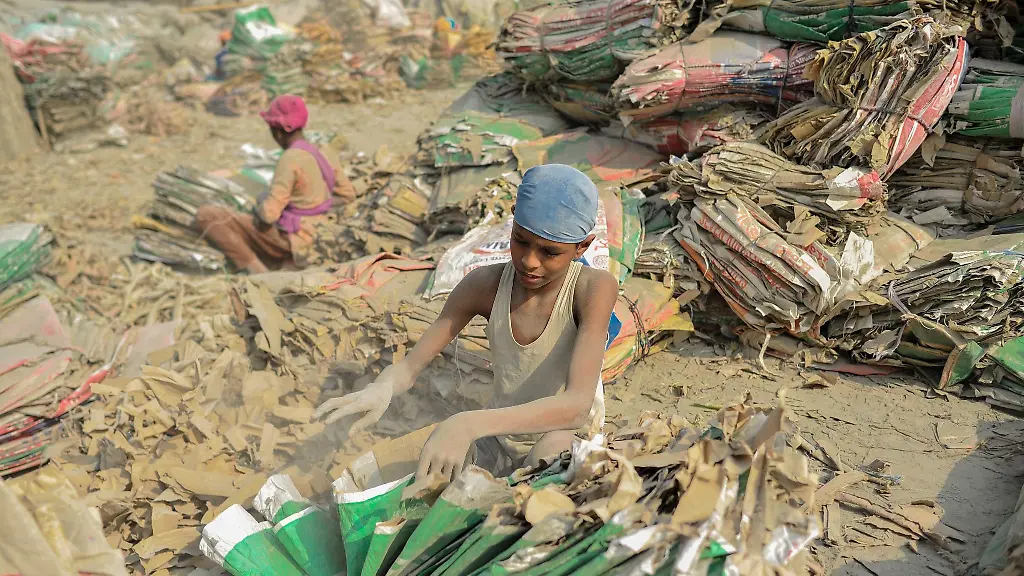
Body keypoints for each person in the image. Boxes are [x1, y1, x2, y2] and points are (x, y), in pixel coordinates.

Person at [314, 164, 618, 480]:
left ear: (582, 246)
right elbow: (409, 367)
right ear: (512, 220)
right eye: (521, 240)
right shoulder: (483, 286)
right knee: (403, 477)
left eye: (550, 252)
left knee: (545, 460)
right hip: (497, 436)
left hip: (565, 437)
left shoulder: (592, 289)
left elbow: (577, 405)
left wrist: (467, 424)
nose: (530, 260)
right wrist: (382, 388)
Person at [196, 95, 356, 273]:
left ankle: (259, 273)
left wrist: (262, 203)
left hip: (296, 239)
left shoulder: (290, 159)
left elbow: (268, 216)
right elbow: (347, 195)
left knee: (207, 215)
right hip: (322, 231)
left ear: (277, 132)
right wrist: (317, 204)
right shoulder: (323, 151)